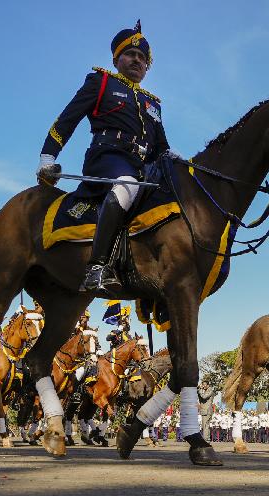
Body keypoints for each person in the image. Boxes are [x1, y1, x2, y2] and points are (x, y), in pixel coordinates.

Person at [36, 20, 173, 295]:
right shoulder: (101, 82)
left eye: (142, 58)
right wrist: (47, 157)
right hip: (108, 157)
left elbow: (161, 148)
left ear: (147, 67)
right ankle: (97, 267)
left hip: (143, 165)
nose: (137, 60)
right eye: (130, 54)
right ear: (117, 58)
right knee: (126, 186)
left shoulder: (153, 103)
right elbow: (67, 120)